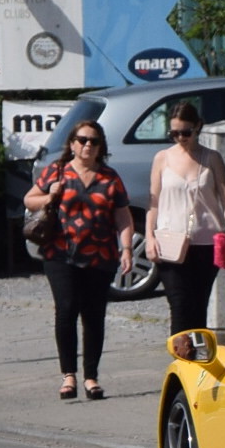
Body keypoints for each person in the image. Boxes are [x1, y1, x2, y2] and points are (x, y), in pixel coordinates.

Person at [24, 121, 134, 401]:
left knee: (94, 316)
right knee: (66, 309)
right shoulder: (57, 171)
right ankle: (68, 375)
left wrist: (127, 249)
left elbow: (123, 216)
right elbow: (29, 200)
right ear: (72, 143)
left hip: (101, 255)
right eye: (82, 140)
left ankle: (91, 377)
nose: (88, 145)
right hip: (60, 253)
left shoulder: (110, 178)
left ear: (101, 147)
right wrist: (51, 195)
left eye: (94, 141)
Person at [145, 101, 225, 335]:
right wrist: (149, 237)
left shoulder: (211, 158)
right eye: (174, 133)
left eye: (185, 132)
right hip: (170, 243)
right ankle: (180, 362)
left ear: (198, 127)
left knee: (198, 307)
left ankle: (197, 363)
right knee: (179, 305)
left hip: (206, 243)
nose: (180, 138)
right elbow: (153, 204)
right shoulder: (162, 158)